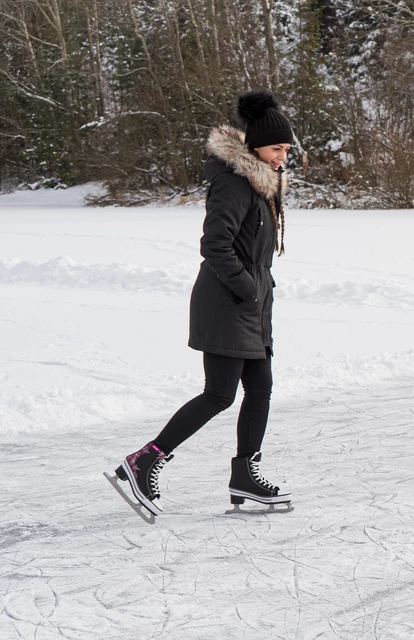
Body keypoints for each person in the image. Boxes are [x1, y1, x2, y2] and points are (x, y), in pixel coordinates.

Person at [108, 91, 293, 516]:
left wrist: (257, 290)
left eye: (286, 149)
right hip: (227, 301)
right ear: (254, 148)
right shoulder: (234, 182)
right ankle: (145, 460)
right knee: (219, 394)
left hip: (251, 304)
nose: (283, 157)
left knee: (260, 388)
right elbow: (215, 245)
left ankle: (245, 475)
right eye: (276, 148)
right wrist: (247, 287)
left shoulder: (262, 184)